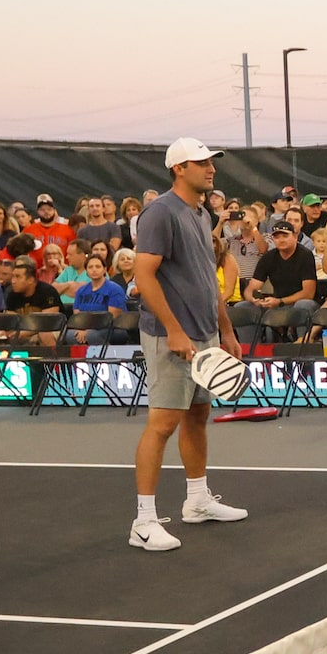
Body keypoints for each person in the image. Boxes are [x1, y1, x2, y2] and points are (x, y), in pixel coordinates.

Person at [125, 138, 248, 551]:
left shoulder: (200, 213)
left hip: (205, 333)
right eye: (201, 163)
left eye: (212, 162)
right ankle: (143, 522)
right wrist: (174, 329)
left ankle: (197, 501)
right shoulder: (159, 212)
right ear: (179, 168)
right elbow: (144, 277)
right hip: (169, 336)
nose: (211, 168)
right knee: (161, 424)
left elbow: (206, 279)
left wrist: (225, 329)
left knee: (198, 415)